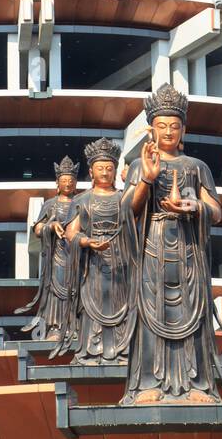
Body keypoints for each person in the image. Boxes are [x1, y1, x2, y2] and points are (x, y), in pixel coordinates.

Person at [121, 85, 222, 405]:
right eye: (161, 126)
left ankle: (197, 384)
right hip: (153, 244)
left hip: (188, 247)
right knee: (154, 313)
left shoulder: (196, 167)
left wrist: (194, 208)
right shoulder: (141, 166)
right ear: (151, 130)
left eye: (174, 126)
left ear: (184, 130)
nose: (168, 131)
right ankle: (150, 382)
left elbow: (216, 211)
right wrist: (147, 180)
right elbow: (127, 209)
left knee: (190, 312)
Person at [63, 138, 135, 364]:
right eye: (100, 168)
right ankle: (92, 351)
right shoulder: (82, 199)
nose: (105, 172)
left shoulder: (125, 197)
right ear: (91, 172)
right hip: (93, 263)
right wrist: (85, 241)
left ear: (115, 171)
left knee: (122, 302)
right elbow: (70, 232)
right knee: (93, 304)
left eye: (109, 168)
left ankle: (123, 351)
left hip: (121, 259)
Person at [15, 155, 80, 345]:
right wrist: (50, 227)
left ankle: (74, 327)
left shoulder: (81, 202)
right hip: (58, 254)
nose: (67, 184)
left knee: (76, 290)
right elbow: (37, 229)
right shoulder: (50, 204)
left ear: (75, 183)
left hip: (77, 254)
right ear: (57, 183)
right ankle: (56, 327)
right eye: (64, 181)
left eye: (71, 181)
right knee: (57, 292)